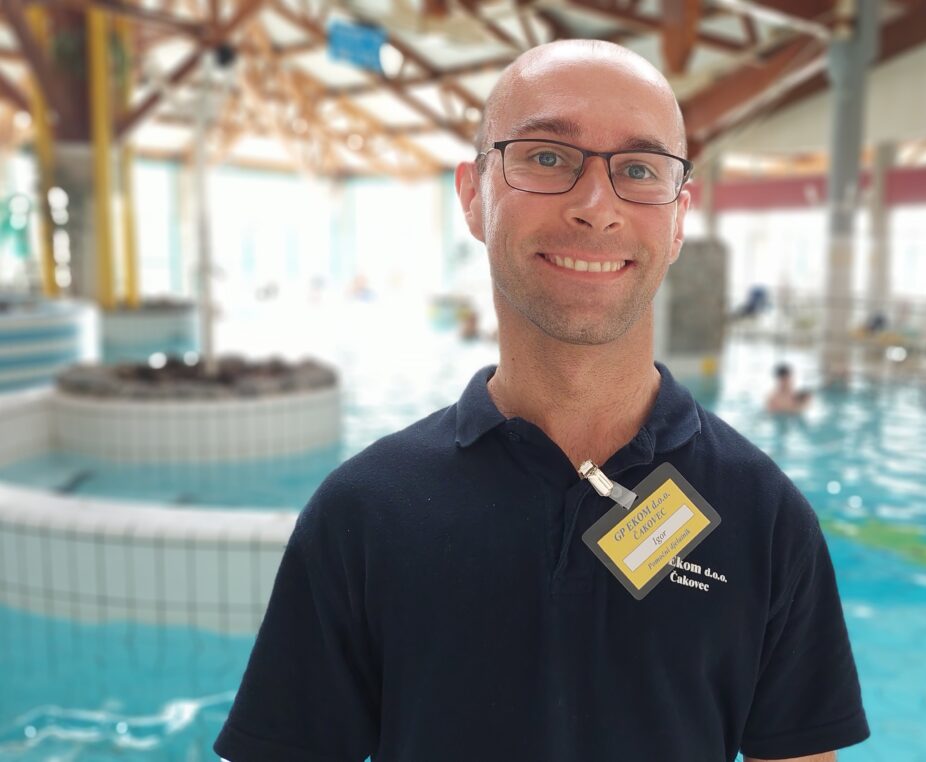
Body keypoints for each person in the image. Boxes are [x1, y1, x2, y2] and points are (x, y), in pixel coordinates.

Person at [214, 40, 867, 762]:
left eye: (639, 170)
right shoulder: (364, 512)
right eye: (548, 157)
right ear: (473, 195)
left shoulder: (765, 517)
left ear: (679, 218)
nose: (596, 207)